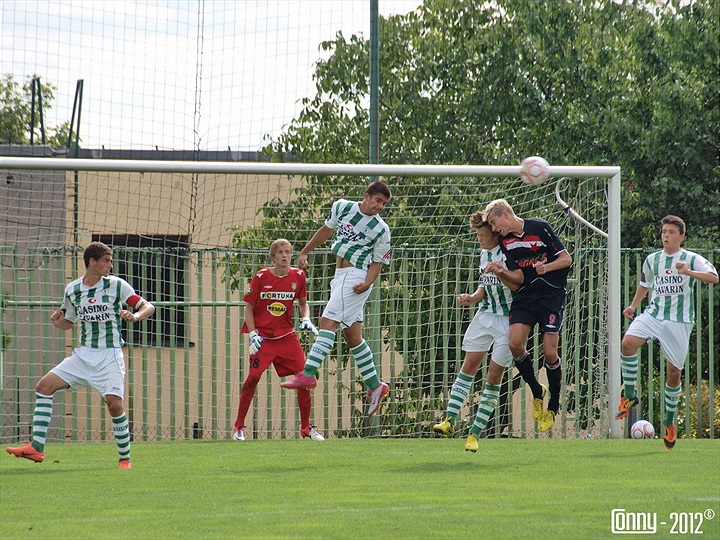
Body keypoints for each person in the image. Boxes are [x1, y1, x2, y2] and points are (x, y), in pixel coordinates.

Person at [6, 242, 155, 469]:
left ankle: (125, 459)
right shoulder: (73, 290)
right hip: (83, 355)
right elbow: (69, 323)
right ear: (92, 262)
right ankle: (36, 448)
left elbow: (148, 306)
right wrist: (59, 322)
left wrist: (135, 316)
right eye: (106, 261)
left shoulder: (116, 285)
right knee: (44, 387)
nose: (110, 265)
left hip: (110, 354)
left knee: (114, 404)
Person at [281, 180, 392, 418]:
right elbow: (326, 230)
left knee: (326, 323)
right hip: (341, 275)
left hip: (355, 278)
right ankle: (375, 385)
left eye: (383, 204)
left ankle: (308, 374)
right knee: (353, 337)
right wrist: (305, 251)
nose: (380, 206)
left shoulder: (381, 229)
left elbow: (378, 261)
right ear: (366, 196)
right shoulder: (342, 207)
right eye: (378, 201)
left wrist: (367, 283)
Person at [616, 215, 717, 449]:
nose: (666, 236)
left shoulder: (690, 259)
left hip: (679, 321)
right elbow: (645, 284)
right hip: (654, 314)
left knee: (673, 374)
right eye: (664, 232)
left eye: (671, 232)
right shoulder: (652, 260)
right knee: (627, 344)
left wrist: (689, 272)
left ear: (681, 236)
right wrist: (633, 305)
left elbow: (714, 278)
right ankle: (629, 394)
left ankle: (670, 423)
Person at [433, 211, 520, 452]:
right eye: (477, 235)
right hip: (484, 316)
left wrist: (501, 272)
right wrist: (471, 298)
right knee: (468, 366)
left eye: (482, 234)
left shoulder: (509, 252)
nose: (479, 239)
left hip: (507, 320)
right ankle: (449, 420)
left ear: (494, 233)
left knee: (493, 376)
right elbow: (484, 286)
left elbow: (518, 283)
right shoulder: (483, 254)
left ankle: (474, 434)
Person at [482, 198, 572, 432]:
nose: (494, 229)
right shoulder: (506, 241)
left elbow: (566, 259)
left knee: (550, 352)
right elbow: (519, 280)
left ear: (505, 215)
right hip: (526, 297)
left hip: (551, 296)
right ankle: (536, 389)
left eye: (494, 222)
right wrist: (502, 272)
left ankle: (553, 406)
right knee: (514, 344)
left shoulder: (539, 227)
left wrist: (547, 267)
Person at [231, 238, 324, 442]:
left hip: (286, 336)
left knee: (305, 377)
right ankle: (238, 427)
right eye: (280, 252)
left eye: (288, 252)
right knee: (252, 378)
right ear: (272, 256)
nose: (285, 255)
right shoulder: (261, 276)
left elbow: (303, 303)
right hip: (263, 339)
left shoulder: (298, 276)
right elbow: (248, 307)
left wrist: (306, 317)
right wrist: (253, 333)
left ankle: (306, 428)